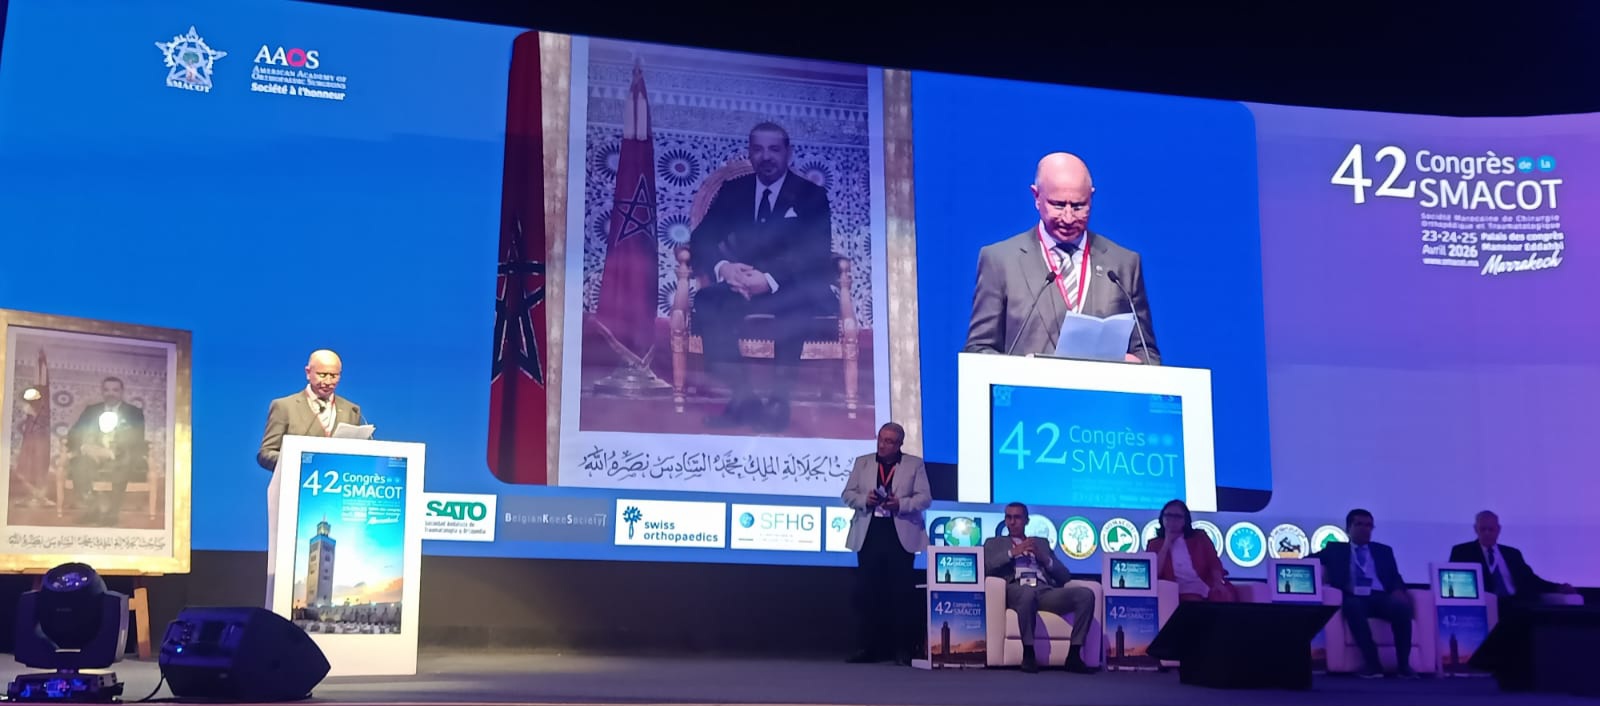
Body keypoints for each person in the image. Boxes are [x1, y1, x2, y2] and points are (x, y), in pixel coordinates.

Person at [689, 121, 836, 433]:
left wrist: (767, 278)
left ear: (788, 153)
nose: (766, 156)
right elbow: (701, 238)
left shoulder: (811, 195)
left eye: (774, 149)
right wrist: (725, 268)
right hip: (741, 284)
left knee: (796, 304)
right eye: (758, 149)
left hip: (792, 284)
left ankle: (778, 402)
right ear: (750, 153)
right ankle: (743, 399)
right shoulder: (734, 191)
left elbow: (815, 252)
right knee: (708, 300)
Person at [964, 152, 1158, 362]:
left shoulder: (1123, 265)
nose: (1068, 217)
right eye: (1058, 205)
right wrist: (1019, 370)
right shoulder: (1000, 261)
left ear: (1091, 197)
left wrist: (1136, 363)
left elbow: (1147, 353)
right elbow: (979, 351)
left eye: (1078, 206)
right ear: (1036, 197)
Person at [841, 422, 930, 665]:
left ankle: (902, 649)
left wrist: (900, 504)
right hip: (870, 534)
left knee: (900, 594)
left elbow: (925, 499)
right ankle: (869, 648)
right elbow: (847, 494)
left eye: (889, 441)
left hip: (900, 534)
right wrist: (864, 499)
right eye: (881, 439)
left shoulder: (914, 464)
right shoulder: (863, 462)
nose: (882, 445)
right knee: (869, 593)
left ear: (900, 444)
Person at [983, 502, 1096, 674]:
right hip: (1016, 588)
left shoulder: (1041, 543)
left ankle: (1073, 655)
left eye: (1017, 517)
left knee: (1085, 595)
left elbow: (1064, 575)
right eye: (1008, 517)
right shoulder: (994, 543)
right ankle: (1028, 653)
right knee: (1027, 593)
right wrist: (1012, 553)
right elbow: (986, 567)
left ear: (1026, 521)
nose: (1012, 522)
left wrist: (1043, 557)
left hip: (1044, 590)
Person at [1311, 508, 1417, 679]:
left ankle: (1404, 666)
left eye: (1369, 525)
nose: (1364, 529)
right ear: (1348, 528)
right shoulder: (1335, 549)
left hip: (1380, 596)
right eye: (1359, 524)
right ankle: (1373, 663)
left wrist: (1399, 590)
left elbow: (1395, 576)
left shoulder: (1383, 551)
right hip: (1353, 596)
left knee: (1401, 608)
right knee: (1353, 607)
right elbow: (1309, 560)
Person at [1449, 510, 1579, 615]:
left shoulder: (1512, 553)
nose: (1487, 533)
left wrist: (1558, 588)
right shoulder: (1462, 552)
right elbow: (1456, 583)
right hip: (1485, 607)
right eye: (1483, 529)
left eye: (1491, 529)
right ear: (1475, 529)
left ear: (1498, 529)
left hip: (1517, 605)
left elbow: (1531, 580)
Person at [257, 350, 366, 471]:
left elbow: (359, 455)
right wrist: (299, 462)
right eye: (322, 375)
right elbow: (266, 454)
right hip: (297, 480)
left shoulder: (351, 410)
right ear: (308, 373)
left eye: (333, 376)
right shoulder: (284, 407)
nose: (328, 382)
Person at [65, 376, 147, 525]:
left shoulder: (134, 412)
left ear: (122, 392)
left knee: (123, 463)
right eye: (107, 390)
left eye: (115, 390)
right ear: (102, 392)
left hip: (119, 455)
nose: (111, 393)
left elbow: (137, 438)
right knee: (78, 465)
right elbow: (74, 433)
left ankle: (112, 514)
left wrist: (113, 452)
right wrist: (84, 447)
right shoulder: (91, 411)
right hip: (92, 454)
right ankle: (92, 509)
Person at [1146, 499, 1236, 602]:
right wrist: (1166, 543)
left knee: (1222, 595)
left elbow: (1214, 563)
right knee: (1190, 599)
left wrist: (1217, 583)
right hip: (1174, 587)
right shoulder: (1154, 544)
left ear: (1185, 520)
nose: (1172, 520)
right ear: (1162, 518)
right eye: (1168, 515)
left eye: (1177, 516)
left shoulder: (1200, 537)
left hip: (1201, 583)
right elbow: (1154, 573)